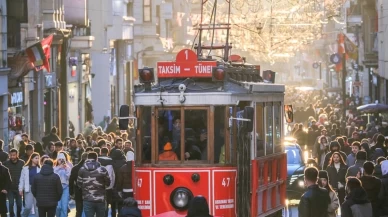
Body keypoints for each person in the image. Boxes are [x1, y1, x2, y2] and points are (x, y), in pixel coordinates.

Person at [77, 152, 110, 217]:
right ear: (97, 158)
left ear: (87, 158)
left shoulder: (82, 169)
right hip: (100, 199)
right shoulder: (103, 169)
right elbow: (108, 183)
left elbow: (79, 184)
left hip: (87, 198)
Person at [4, 149, 25, 217]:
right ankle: (11, 215)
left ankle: (18, 215)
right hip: (10, 187)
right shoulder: (6, 164)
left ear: (17, 155)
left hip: (19, 187)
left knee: (19, 204)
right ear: (9, 155)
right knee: (11, 203)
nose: (12, 157)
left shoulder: (22, 163)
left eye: (14, 155)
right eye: (11, 155)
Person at [19, 152, 41, 217]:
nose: (37, 160)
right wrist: (20, 189)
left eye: (38, 158)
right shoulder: (25, 168)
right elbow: (21, 179)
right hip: (28, 188)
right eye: (36, 158)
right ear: (31, 159)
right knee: (28, 206)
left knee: (37, 207)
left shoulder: (40, 169)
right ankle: (24, 215)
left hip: (37, 189)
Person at [54, 152, 73, 217]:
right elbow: (53, 175)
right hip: (56, 189)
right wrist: (59, 167)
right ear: (57, 160)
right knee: (58, 207)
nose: (61, 161)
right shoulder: (55, 167)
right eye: (59, 159)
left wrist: (66, 168)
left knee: (64, 207)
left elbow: (68, 176)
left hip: (65, 188)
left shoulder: (67, 167)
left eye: (62, 159)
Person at [98, 147, 115, 217]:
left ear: (100, 152)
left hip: (98, 186)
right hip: (109, 187)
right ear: (108, 152)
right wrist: (112, 185)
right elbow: (113, 175)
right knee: (107, 203)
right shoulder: (111, 161)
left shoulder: (97, 160)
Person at [69, 153, 88, 217]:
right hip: (88, 191)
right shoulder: (90, 168)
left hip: (78, 190)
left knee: (79, 210)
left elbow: (71, 180)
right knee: (88, 210)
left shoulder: (75, 168)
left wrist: (71, 191)